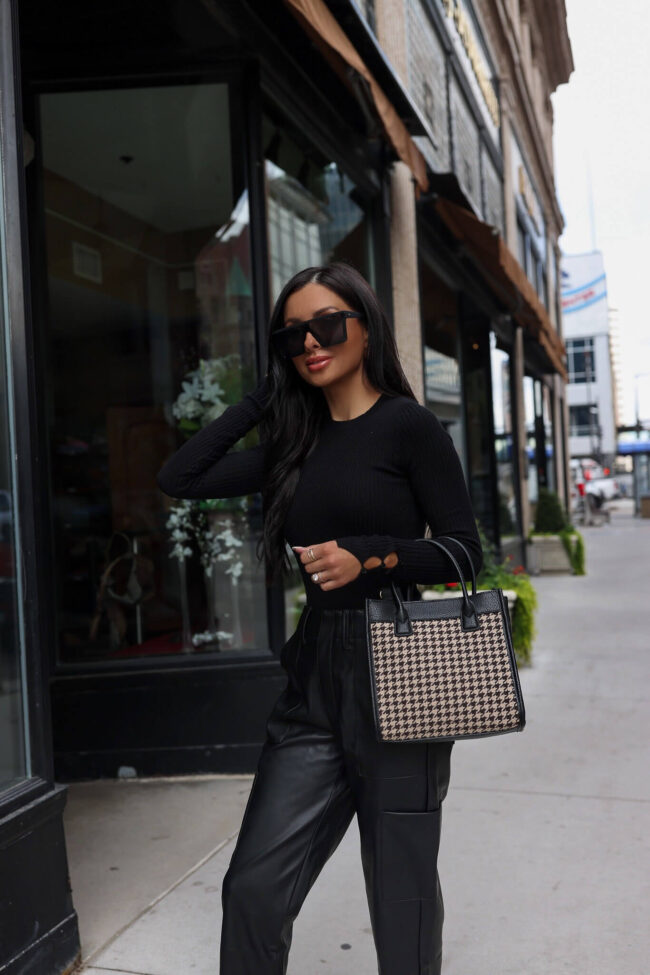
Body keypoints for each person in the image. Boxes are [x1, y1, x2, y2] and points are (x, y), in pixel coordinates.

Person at [156, 262, 482, 975]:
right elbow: (179, 478)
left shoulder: (408, 426)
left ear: (365, 327)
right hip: (314, 685)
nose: (311, 343)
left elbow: (465, 555)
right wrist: (264, 401)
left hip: (398, 672)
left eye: (327, 325)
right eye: (293, 334)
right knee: (252, 889)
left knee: (401, 899)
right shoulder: (291, 444)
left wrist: (373, 557)